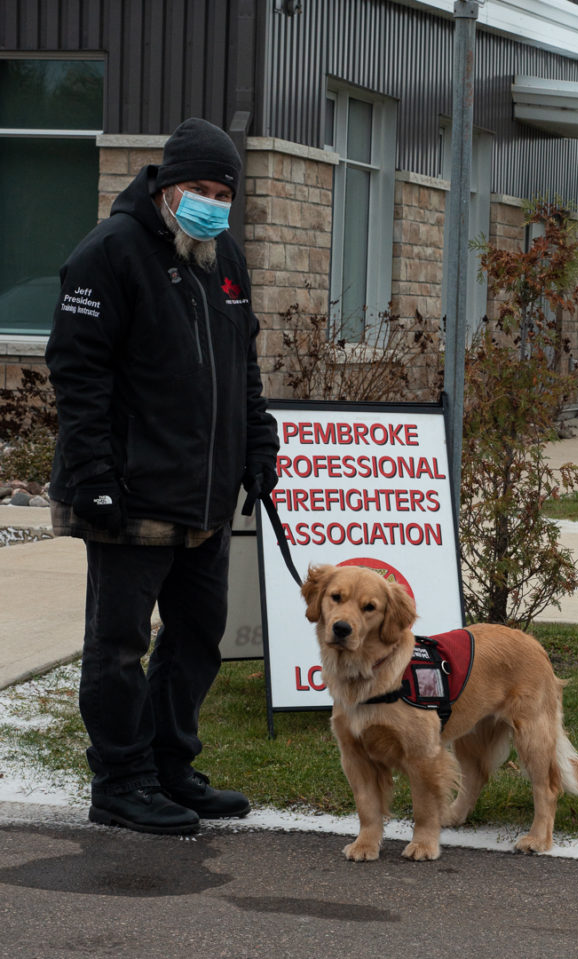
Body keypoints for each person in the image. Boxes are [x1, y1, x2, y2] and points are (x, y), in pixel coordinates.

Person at [45, 118, 279, 836]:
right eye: (199, 190)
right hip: (130, 495)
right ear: (166, 187)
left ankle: (170, 766)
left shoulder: (222, 255)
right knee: (119, 644)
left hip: (204, 495)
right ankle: (121, 779)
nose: (212, 203)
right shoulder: (108, 252)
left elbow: (243, 365)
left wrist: (258, 441)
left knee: (198, 634)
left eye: (223, 193)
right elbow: (76, 372)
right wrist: (93, 475)